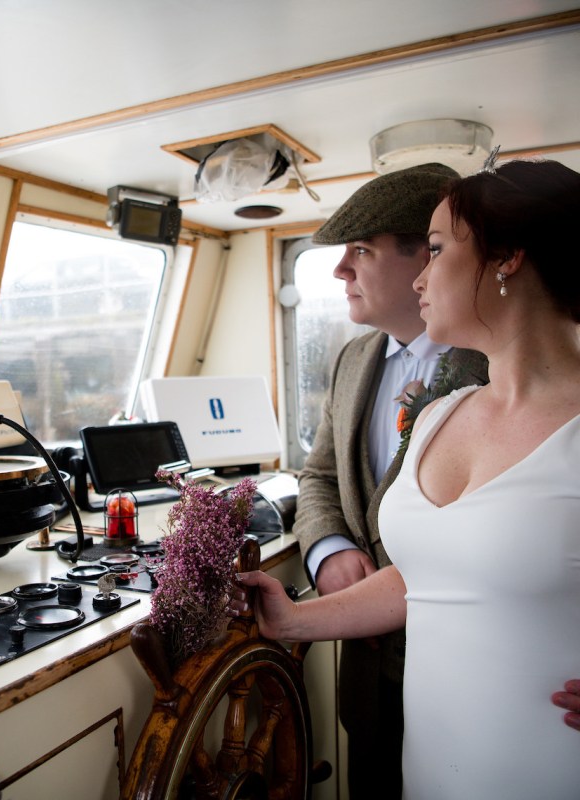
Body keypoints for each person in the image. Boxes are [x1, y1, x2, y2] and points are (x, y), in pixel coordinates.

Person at [232, 158, 580, 799]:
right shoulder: (441, 416)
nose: (423, 274)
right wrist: (291, 620)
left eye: (439, 248)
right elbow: (430, 572)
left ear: (506, 257)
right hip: (433, 755)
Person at [292, 162, 487, 798]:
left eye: (361, 251)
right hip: (368, 679)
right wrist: (329, 549)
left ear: (421, 261)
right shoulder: (354, 359)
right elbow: (319, 474)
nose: (340, 271)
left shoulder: (496, 365)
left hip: (468, 677)